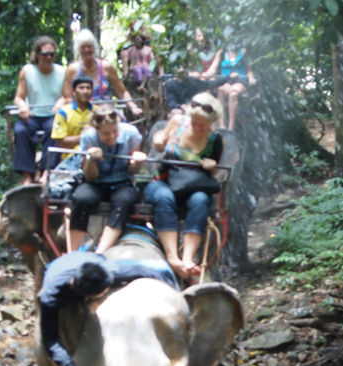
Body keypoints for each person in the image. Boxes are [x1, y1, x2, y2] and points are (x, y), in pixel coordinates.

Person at [39, 251, 178, 366]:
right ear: (89, 296)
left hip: (89, 259)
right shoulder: (51, 296)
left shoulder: (105, 270)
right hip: (58, 270)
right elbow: (50, 339)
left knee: (162, 268)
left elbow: (150, 272)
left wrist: (172, 298)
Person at [144, 92, 223, 282]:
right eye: (194, 122)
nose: (196, 127)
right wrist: (160, 140)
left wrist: (211, 166)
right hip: (164, 180)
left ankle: (188, 258)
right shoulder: (177, 122)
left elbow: (213, 172)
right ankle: (173, 257)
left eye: (202, 125)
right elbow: (159, 144)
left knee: (201, 200)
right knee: (164, 197)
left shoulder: (215, 140)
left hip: (192, 186)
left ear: (211, 123)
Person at [68, 103, 146, 254]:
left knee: (125, 200)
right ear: (97, 131)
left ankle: (101, 251)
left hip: (122, 182)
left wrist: (136, 162)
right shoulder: (89, 137)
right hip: (96, 182)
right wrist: (91, 159)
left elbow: (132, 171)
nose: (111, 137)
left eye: (114, 132)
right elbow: (90, 176)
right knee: (81, 198)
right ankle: (73, 252)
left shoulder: (131, 134)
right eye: (105, 134)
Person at [12, 36, 66, 185]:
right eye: (45, 54)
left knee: (55, 128)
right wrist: (22, 106)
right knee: (21, 130)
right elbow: (18, 97)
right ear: (37, 55)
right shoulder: (28, 71)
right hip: (33, 115)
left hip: (52, 115)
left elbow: (67, 96)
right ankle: (27, 174)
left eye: (52, 54)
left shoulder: (61, 71)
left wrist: (61, 102)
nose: (49, 58)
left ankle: (46, 171)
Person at [63, 29, 141, 119]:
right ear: (78, 49)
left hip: (107, 113)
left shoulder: (106, 67)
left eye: (89, 47)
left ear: (94, 47)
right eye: (83, 47)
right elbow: (68, 97)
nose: (86, 50)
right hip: (83, 114)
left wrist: (132, 106)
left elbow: (122, 91)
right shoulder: (72, 70)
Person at [162, 28, 225, 113]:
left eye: (200, 35)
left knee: (205, 84)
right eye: (196, 36)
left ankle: (208, 113)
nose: (198, 38)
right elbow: (186, 69)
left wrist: (201, 75)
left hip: (206, 77)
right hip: (193, 78)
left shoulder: (214, 51)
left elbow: (213, 69)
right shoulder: (191, 50)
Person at [46, 73, 95, 174]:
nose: (85, 91)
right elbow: (61, 142)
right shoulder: (63, 113)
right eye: (81, 88)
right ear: (74, 91)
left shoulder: (97, 112)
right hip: (70, 158)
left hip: (94, 157)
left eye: (88, 88)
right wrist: (86, 137)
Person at [205, 45, 256, 131]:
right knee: (221, 91)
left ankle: (230, 127)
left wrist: (251, 78)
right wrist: (205, 75)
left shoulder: (243, 52)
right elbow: (213, 68)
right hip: (226, 80)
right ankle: (221, 124)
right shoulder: (221, 53)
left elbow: (249, 70)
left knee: (233, 94)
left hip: (240, 80)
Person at [119, 26, 159, 91]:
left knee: (146, 70)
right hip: (136, 65)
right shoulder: (131, 49)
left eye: (138, 39)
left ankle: (142, 86)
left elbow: (151, 59)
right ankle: (140, 85)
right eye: (136, 39)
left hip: (145, 64)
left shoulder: (148, 49)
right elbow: (126, 55)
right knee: (137, 70)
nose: (137, 41)